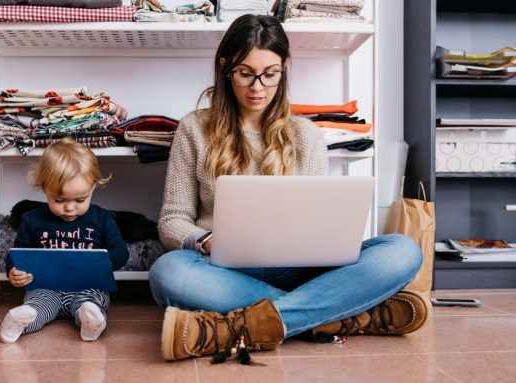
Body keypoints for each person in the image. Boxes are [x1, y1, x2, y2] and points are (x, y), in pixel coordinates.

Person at [149, 14, 426, 362]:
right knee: (167, 273)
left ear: (283, 71)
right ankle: (332, 314)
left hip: (299, 268)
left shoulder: (305, 134)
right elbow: (172, 220)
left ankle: (244, 325)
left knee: (403, 250)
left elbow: (317, 219)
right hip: (222, 269)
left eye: (270, 74)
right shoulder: (194, 128)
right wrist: (203, 241)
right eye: (245, 73)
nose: (258, 86)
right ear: (225, 69)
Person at [0, 138, 129, 343]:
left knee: (92, 301)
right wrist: (14, 271)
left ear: (93, 188)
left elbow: (121, 252)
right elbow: (18, 254)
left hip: (87, 285)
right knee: (38, 305)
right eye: (59, 200)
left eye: (80, 200)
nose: (69, 208)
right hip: (46, 288)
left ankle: (89, 321)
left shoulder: (102, 219)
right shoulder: (32, 219)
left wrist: (104, 263)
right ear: (44, 189)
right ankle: (21, 319)